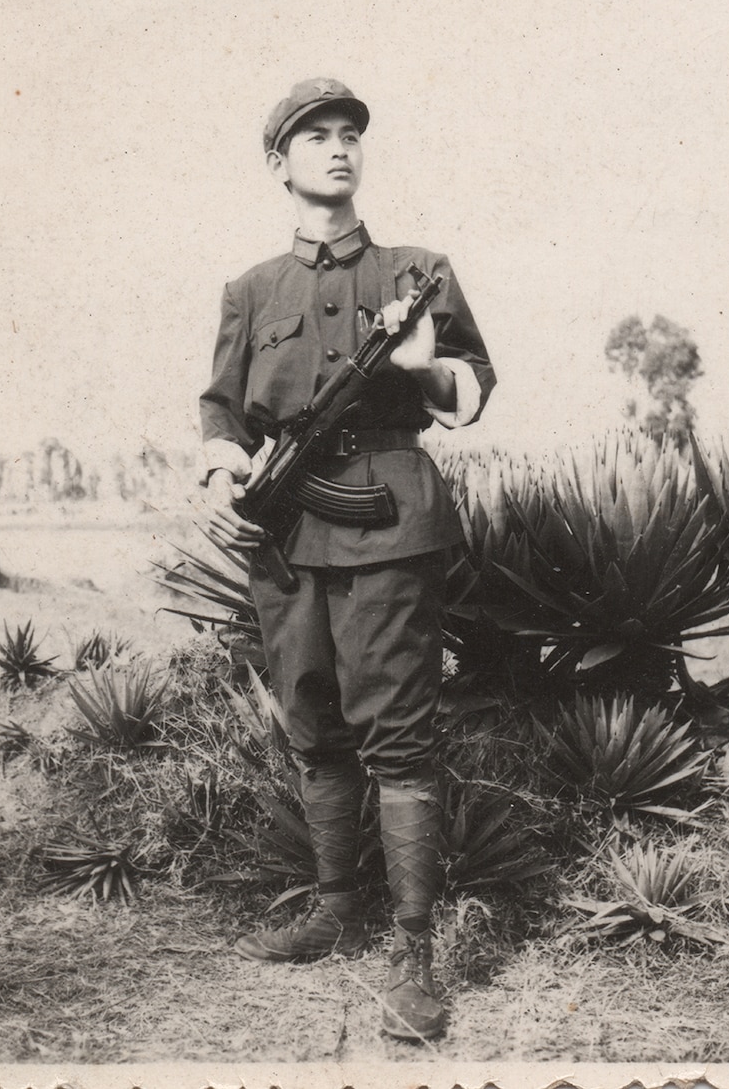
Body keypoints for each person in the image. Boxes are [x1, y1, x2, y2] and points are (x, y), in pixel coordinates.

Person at [199, 78, 496, 1041]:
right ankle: (335, 905)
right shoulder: (251, 290)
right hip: (286, 534)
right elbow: (223, 410)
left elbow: (471, 390)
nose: (336, 150)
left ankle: (413, 951)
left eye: (348, 135)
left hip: (388, 525)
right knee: (314, 720)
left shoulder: (418, 269)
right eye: (314, 138)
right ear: (279, 164)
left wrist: (416, 363)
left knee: (399, 731)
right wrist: (221, 463)